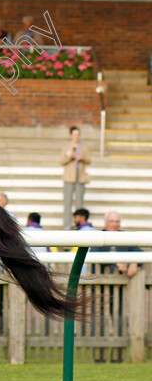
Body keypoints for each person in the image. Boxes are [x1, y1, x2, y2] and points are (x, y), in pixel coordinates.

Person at [90, 211, 139, 364]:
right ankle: (99, 356)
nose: (114, 224)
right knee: (98, 321)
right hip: (99, 288)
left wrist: (133, 262)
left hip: (119, 290)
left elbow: (140, 254)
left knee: (119, 321)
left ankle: (118, 356)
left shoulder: (126, 238)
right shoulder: (98, 237)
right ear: (106, 223)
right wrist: (118, 261)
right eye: (111, 221)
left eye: (117, 221)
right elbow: (94, 256)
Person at [61, 126, 91, 229]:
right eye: (74, 134)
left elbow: (88, 160)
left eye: (78, 134)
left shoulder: (84, 147)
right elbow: (62, 161)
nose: (76, 137)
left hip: (80, 177)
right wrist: (71, 157)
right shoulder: (67, 147)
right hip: (69, 177)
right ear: (71, 135)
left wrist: (81, 158)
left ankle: (79, 224)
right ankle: (67, 224)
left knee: (79, 203)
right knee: (67, 203)